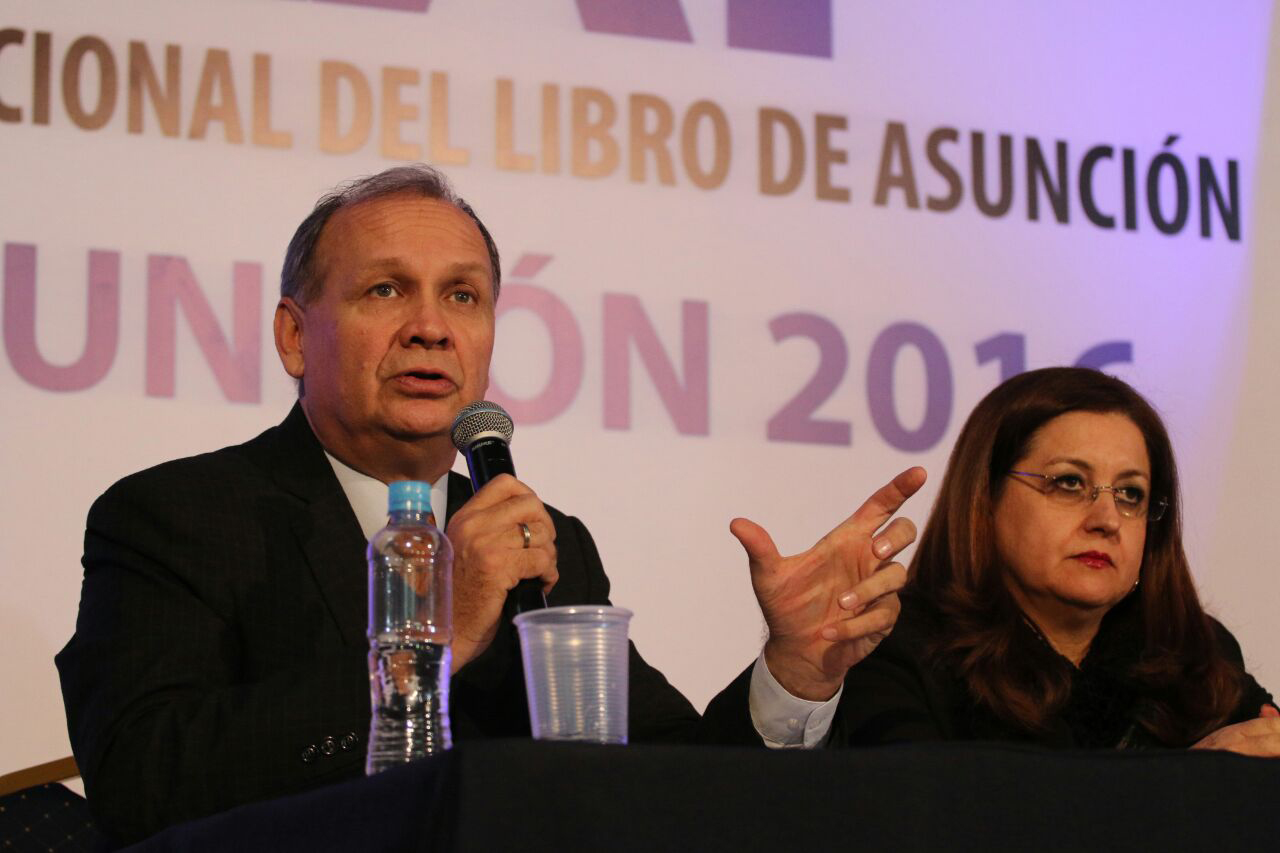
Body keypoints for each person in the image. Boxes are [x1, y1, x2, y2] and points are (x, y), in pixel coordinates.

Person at [56, 164, 923, 844]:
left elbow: (668, 781)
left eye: (462, 296)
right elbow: (143, 783)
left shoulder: (543, 542)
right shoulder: (178, 516)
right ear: (294, 335)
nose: (431, 327)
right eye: (385, 290)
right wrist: (433, 634)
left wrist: (792, 674)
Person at [834, 367, 1279, 753]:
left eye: (1130, 494)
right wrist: (1193, 785)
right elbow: (928, 810)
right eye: (1069, 482)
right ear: (986, 500)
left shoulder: (1198, 653)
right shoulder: (894, 643)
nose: (1107, 520)